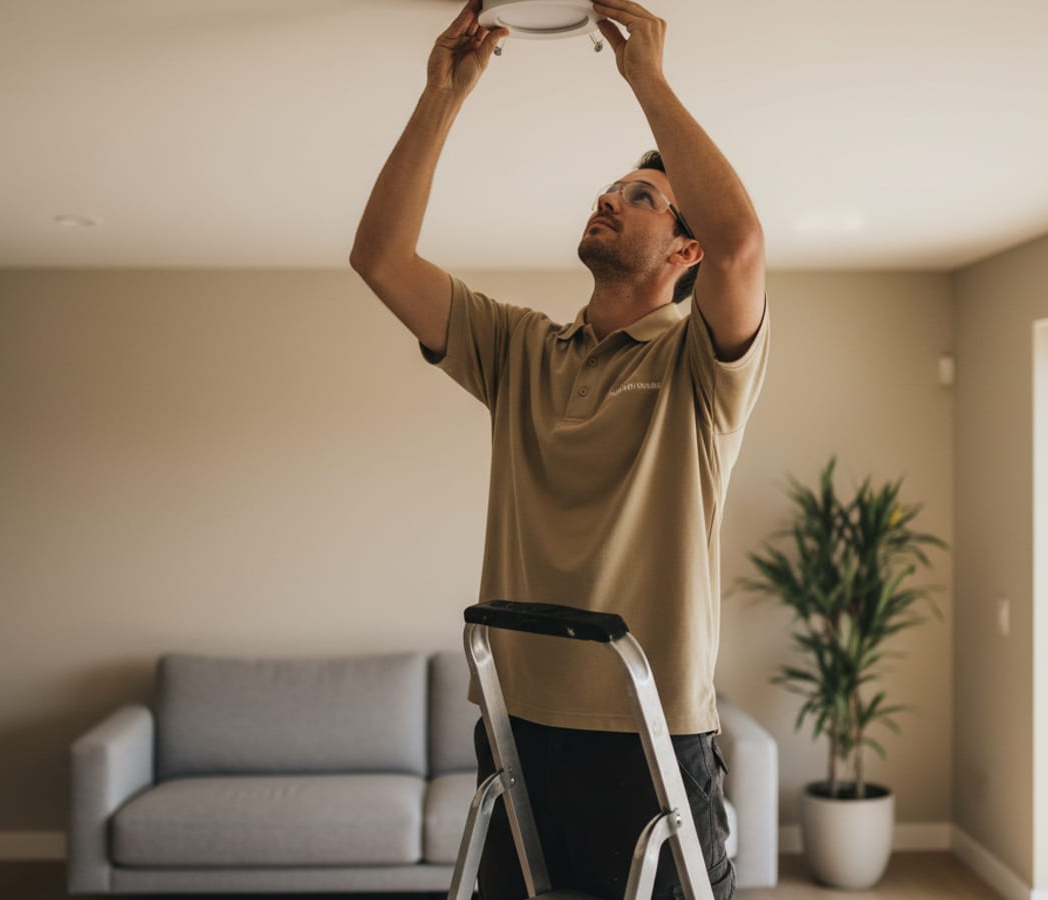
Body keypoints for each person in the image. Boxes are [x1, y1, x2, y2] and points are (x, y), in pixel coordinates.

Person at [350, 1, 769, 897]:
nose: (610, 199)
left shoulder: (698, 368)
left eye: (641, 196)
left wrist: (646, 79)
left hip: (650, 733)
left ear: (682, 248)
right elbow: (380, 256)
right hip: (518, 724)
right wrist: (441, 96)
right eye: (608, 190)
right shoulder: (520, 349)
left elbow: (742, 246)